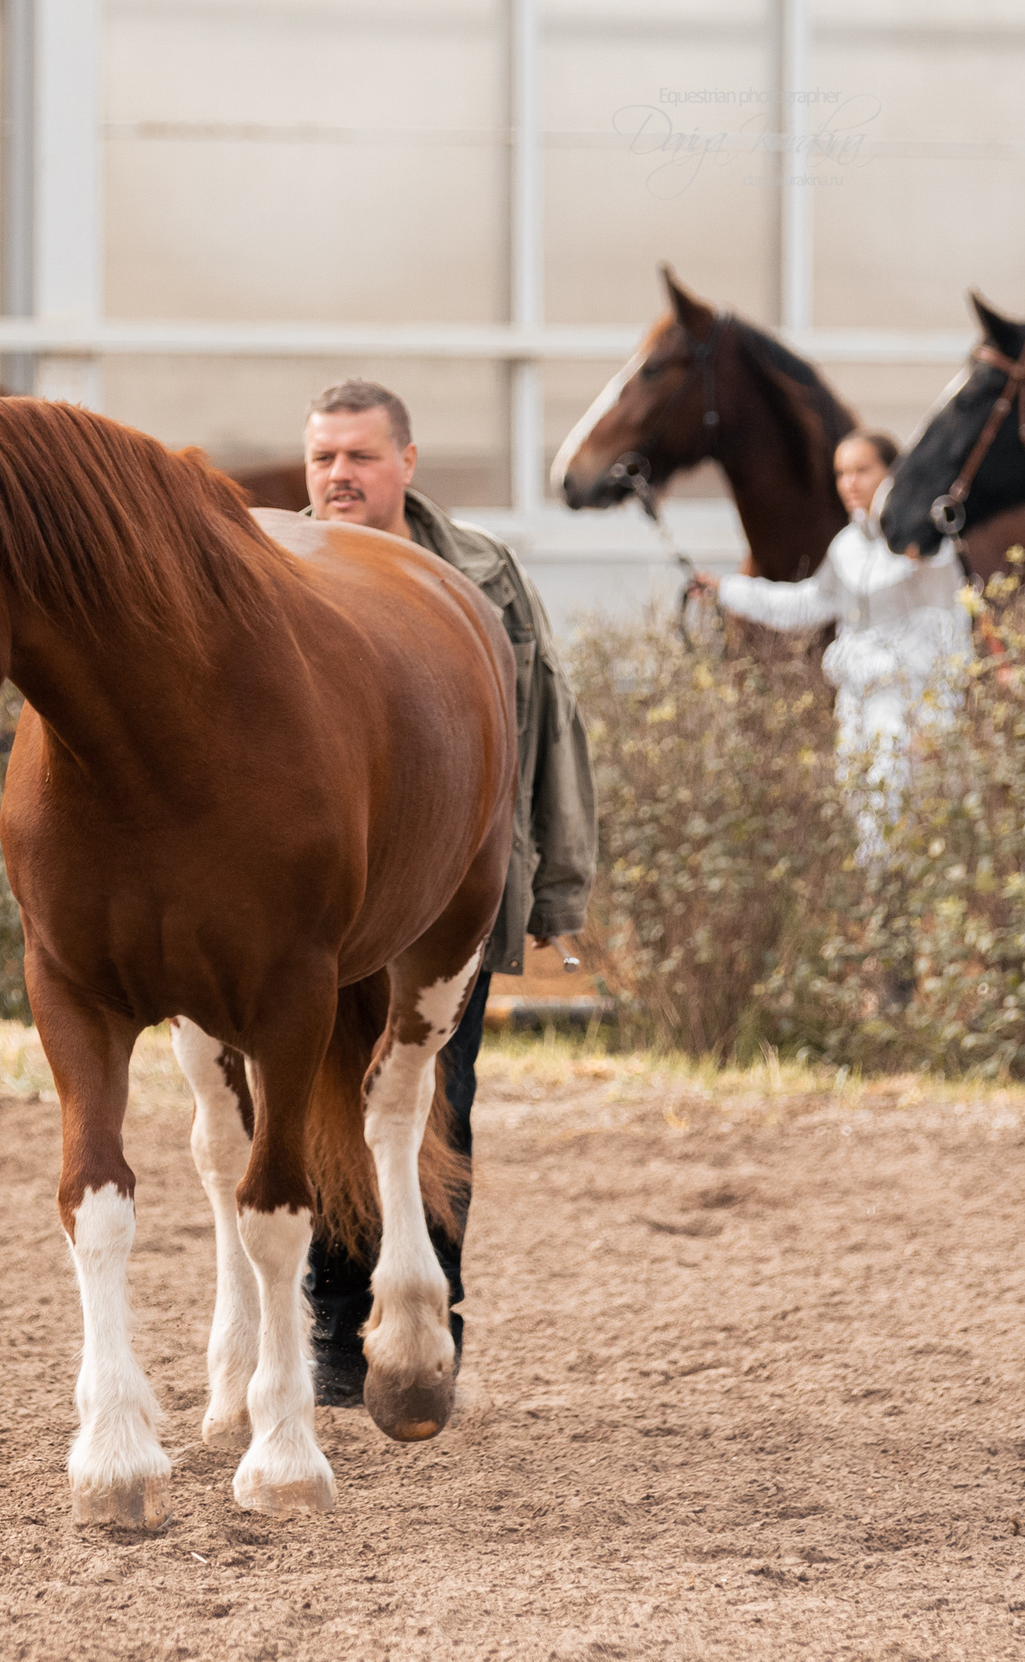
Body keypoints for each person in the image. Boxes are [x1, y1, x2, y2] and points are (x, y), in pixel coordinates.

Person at [299, 379, 597, 1407]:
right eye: (323, 457)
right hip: (321, 894)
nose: (338, 475)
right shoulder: (277, 570)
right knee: (317, 1090)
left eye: (359, 456)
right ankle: (335, 1330)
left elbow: (547, 721)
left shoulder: (479, 571)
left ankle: (435, 1319)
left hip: (449, 891)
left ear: (407, 463)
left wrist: (555, 889)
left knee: (440, 1097)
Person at [689, 430, 969, 864]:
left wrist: (935, 724)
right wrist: (726, 589)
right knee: (863, 817)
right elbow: (806, 604)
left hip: (907, 710)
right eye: (841, 472)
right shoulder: (847, 546)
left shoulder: (927, 546)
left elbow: (953, 634)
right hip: (854, 706)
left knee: (898, 825)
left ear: (891, 473)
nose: (849, 483)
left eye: (862, 470)